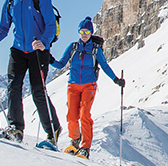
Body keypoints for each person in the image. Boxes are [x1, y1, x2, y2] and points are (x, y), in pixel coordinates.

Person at [0, 0, 61, 147]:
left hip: (38, 50)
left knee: (38, 92)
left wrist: (44, 42)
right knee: (13, 88)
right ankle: (15, 128)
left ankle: (53, 132)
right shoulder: (11, 1)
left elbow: (50, 24)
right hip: (18, 50)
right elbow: (4, 27)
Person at [50, 17, 124, 158]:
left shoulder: (95, 50)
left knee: (84, 115)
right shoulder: (73, 47)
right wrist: (49, 59)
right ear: (78, 32)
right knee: (72, 116)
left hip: (89, 85)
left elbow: (104, 66)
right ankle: (75, 140)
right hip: (73, 85)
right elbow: (61, 64)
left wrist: (116, 79)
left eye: (87, 31)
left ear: (91, 32)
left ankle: (85, 147)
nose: (84, 34)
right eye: (82, 31)